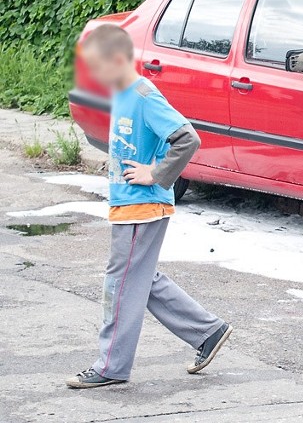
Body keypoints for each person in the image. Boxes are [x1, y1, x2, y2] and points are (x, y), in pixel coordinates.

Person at [67, 24, 232, 389]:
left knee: (121, 283)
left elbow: (187, 138)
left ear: (117, 60)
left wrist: (155, 173)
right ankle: (208, 331)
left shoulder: (143, 94)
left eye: (97, 67)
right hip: (130, 205)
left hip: (142, 206)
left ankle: (111, 366)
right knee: (141, 279)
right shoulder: (122, 94)